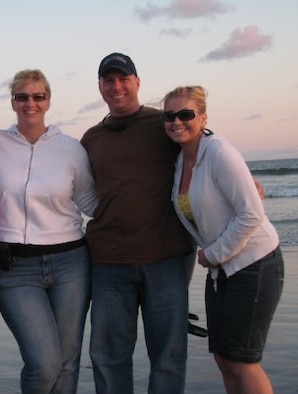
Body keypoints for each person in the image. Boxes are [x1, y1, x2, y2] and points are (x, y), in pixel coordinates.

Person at [0, 69, 97, 394]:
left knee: (68, 362)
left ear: (48, 101)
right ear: (13, 102)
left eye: (38, 96)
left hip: (71, 263)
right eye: (22, 97)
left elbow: (91, 203)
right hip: (15, 268)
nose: (31, 103)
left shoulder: (70, 148)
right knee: (44, 365)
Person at [80, 52, 194, 394]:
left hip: (167, 259)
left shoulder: (166, 123)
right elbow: (76, 190)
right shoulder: (90, 139)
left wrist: (247, 183)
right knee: (108, 357)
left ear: (137, 82)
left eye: (123, 78)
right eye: (108, 80)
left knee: (168, 357)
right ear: (100, 87)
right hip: (108, 263)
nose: (116, 86)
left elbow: (207, 151)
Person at [162, 85, 284, 394]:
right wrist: (214, 259)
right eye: (169, 116)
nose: (177, 121)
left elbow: (251, 213)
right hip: (221, 271)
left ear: (202, 117)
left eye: (186, 114)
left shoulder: (218, 152)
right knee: (223, 358)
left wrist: (213, 254)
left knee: (243, 361)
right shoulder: (180, 161)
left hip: (254, 264)